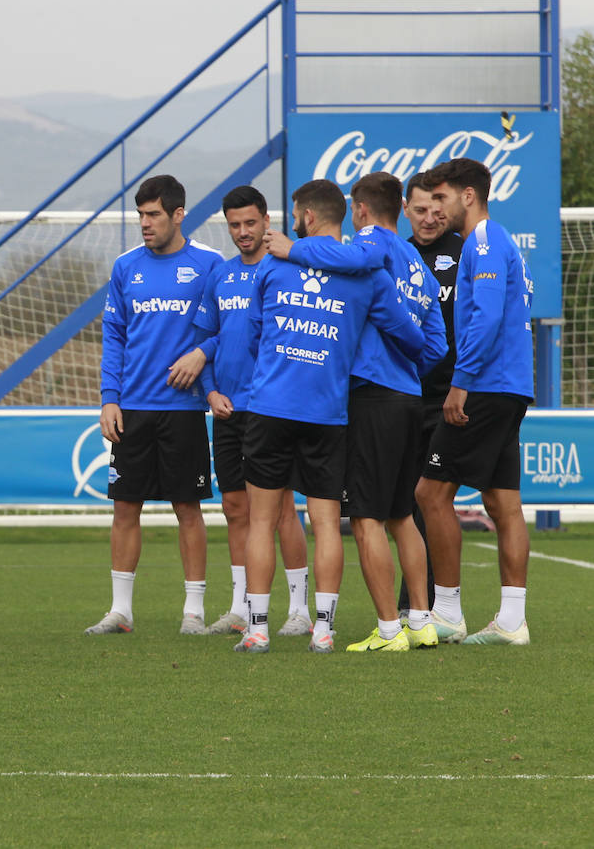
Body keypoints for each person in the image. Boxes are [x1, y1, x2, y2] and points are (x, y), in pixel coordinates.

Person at [234, 179, 425, 654]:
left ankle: (257, 629)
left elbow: (253, 336)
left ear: (308, 217)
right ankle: (323, 629)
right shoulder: (367, 275)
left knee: (262, 521)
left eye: (296, 214)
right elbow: (410, 335)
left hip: (270, 407)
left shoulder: (275, 265)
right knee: (325, 520)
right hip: (328, 413)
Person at [85, 174, 223, 637]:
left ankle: (194, 613)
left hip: (184, 409)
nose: (145, 224)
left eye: (153, 215)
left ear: (178, 215)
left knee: (188, 507)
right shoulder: (126, 267)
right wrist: (109, 398)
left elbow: (235, 323)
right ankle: (120, 611)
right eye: (140, 215)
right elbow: (114, 335)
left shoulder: (209, 264)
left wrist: (202, 352)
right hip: (133, 407)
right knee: (125, 508)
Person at [175, 185, 312, 637]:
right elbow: (205, 341)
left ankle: (298, 610)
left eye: (250, 223)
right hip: (227, 410)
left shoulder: (285, 270)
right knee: (235, 507)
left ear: (266, 220)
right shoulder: (222, 275)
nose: (243, 232)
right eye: (234, 225)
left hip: (272, 409)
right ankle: (241, 607)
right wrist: (210, 392)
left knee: (281, 510)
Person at [414, 158, 535, 645]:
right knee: (503, 501)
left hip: (485, 385)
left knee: (430, 494)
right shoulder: (500, 242)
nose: (436, 209)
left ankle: (446, 611)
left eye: (441, 197)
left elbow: (485, 319)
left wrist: (461, 382)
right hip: (510, 385)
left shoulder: (482, 242)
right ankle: (511, 622)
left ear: (468, 196)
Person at [396, 172, 466, 613]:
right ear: (404, 209)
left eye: (436, 209)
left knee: (432, 501)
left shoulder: (467, 253)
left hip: (449, 400)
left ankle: (434, 606)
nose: (428, 218)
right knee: (403, 503)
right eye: (418, 210)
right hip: (400, 397)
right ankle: (416, 605)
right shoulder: (393, 255)